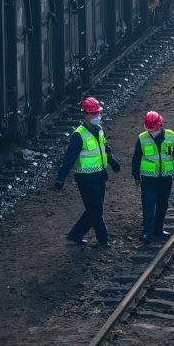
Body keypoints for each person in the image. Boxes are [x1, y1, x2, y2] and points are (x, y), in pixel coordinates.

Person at [53, 97, 120, 247]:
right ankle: (103, 240)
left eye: (98, 113)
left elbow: (105, 148)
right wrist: (60, 178)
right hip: (86, 180)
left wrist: (112, 161)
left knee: (93, 209)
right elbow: (69, 158)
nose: (97, 116)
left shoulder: (99, 130)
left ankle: (75, 234)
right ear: (85, 115)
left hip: (100, 176)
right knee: (97, 210)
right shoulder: (79, 135)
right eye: (93, 114)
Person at [132, 111, 174, 242]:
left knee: (163, 204)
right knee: (148, 204)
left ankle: (158, 229)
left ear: (160, 125)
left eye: (154, 128)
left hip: (165, 178)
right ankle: (147, 232)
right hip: (148, 179)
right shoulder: (142, 138)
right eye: (149, 128)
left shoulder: (170, 136)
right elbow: (136, 159)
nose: (152, 131)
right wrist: (136, 176)